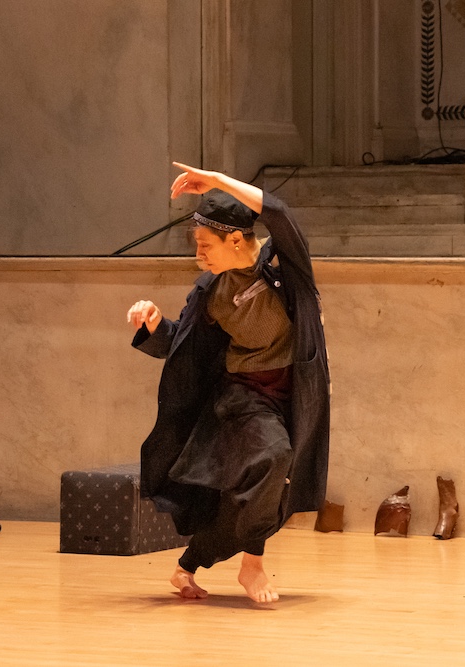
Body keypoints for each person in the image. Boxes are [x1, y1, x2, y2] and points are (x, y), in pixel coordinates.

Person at [127, 162, 330, 603]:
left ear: (235, 240)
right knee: (274, 458)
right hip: (244, 396)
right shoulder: (211, 290)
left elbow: (277, 211)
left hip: (297, 395)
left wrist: (218, 181)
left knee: (267, 496)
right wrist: (155, 325)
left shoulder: (284, 264)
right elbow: (181, 345)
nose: (198, 255)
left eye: (205, 245)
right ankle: (252, 567)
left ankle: (187, 565)